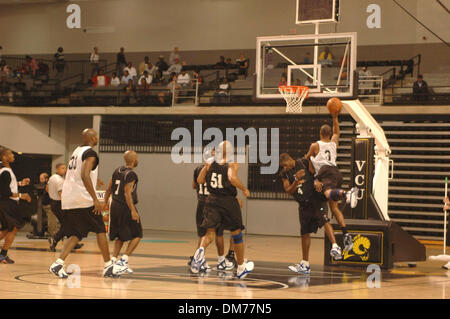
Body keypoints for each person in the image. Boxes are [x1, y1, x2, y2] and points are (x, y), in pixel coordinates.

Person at [49, 129, 126, 278]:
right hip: (83, 199)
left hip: (70, 198)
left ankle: (58, 264)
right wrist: (95, 199)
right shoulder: (90, 153)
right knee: (100, 230)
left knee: (76, 234)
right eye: (96, 135)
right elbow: (84, 175)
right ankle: (108, 265)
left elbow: (80, 174)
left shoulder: (76, 151)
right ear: (93, 138)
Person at [190, 141, 254, 279]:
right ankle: (241, 267)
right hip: (227, 201)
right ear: (230, 151)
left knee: (209, 232)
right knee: (236, 232)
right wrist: (244, 188)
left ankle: (200, 251)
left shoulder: (209, 163)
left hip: (211, 200)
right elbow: (232, 178)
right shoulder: (231, 163)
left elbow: (200, 180)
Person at [279, 154, 343, 274]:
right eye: (283, 167)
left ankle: (335, 246)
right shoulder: (285, 174)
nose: (285, 168)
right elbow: (288, 191)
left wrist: (318, 181)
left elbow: (318, 173)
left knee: (324, 221)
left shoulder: (303, 162)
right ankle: (305, 264)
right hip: (303, 204)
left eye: (285, 166)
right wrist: (296, 180)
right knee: (304, 233)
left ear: (289, 160)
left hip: (315, 198)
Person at [305, 113, 359, 252]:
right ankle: (346, 233)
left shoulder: (315, 145)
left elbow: (306, 159)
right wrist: (335, 117)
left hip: (325, 172)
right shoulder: (334, 142)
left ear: (320, 133)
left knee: (327, 193)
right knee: (334, 208)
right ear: (329, 134)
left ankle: (347, 194)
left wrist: (309, 162)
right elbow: (337, 131)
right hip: (336, 172)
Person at [190, 149, 235, 271]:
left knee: (202, 234)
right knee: (218, 234)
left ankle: (199, 259)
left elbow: (195, 185)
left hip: (201, 203)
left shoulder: (198, 169)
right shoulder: (220, 168)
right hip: (213, 203)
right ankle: (221, 261)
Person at [103, 150, 142, 275]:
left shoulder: (117, 170)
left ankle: (113, 261)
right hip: (125, 206)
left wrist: (105, 203)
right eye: (136, 157)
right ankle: (123, 261)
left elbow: (108, 188)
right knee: (137, 235)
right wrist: (133, 210)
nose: (137, 159)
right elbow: (127, 193)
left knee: (120, 236)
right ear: (133, 160)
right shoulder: (131, 174)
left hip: (114, 205)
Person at [0, 148, 31, 264]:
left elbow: (7, 185)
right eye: (10, 154)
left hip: (6, 203)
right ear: (4, 158)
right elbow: (6, 192)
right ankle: (3, 254)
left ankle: (2, 254)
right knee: (13, 228)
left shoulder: (6, 171)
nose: (13, 155)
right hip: (7, 203)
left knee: (5, 230)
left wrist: (20, 183)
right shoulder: (5, 171)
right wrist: (22, 195)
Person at [47, 163, 83, 252]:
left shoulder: (52, 178)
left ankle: (73, 243)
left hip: (53, 202)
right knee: (67, 224)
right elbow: (62, 195)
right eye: (62, 168)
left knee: (67, 224)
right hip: (60, 204)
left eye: (65, 168)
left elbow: (47, 189)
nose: (65, 170)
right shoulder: (59, 180)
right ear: (57, 169)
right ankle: (55, 239)